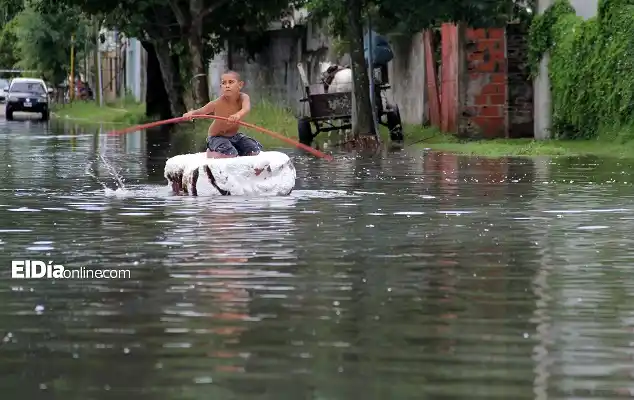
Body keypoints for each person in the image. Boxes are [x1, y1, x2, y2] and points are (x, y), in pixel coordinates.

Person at [183, 71, 263, 158]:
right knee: (230, 153)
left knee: (254, 150)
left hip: (234, 136)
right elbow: (201, 112)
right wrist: (191, 114)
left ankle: (234, 148)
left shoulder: (244, 97)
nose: (227, 85)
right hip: (217, 137)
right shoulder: (217, 103)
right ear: (221, 87)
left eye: (231, 82)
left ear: (240, 85)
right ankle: (212, 151)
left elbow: (246, 109)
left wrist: (237, 115)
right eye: (224, 83)